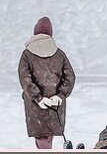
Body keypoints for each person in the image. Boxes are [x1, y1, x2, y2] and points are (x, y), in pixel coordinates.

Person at [18, 16, 76, 150]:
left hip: (35, 103)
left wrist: (38, 98)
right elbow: (70, 76)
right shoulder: (59, 54)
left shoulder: (27, 54)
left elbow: (25, 78)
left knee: (41, 135)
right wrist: (60, 95)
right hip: (56, 102)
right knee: (49, 133)